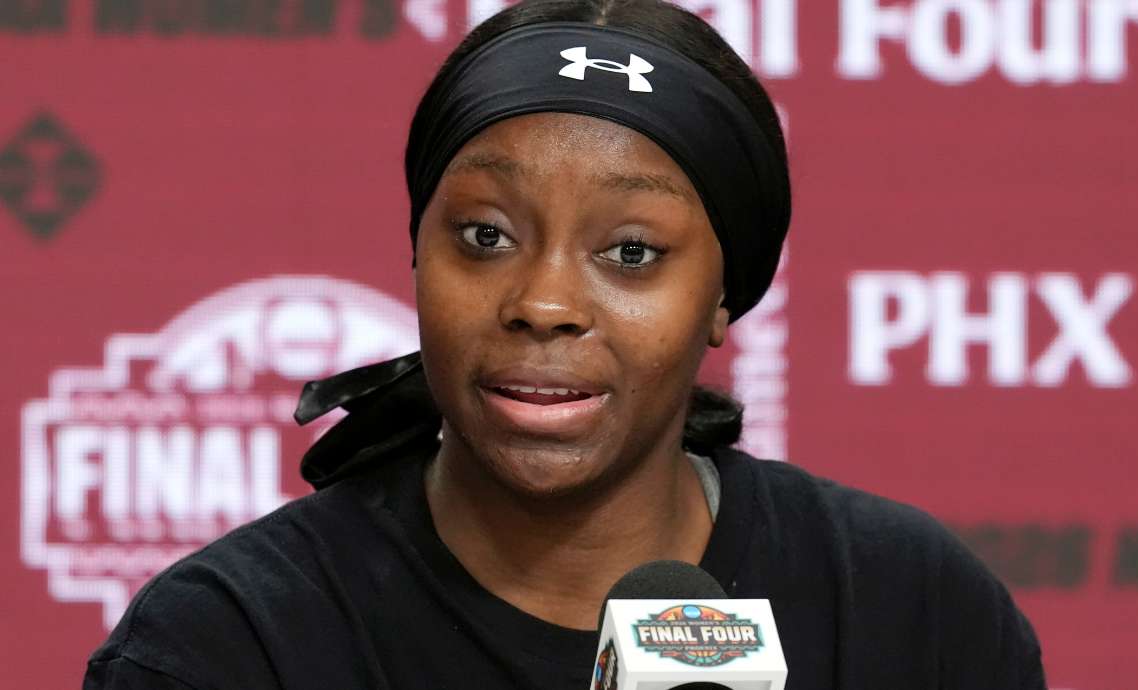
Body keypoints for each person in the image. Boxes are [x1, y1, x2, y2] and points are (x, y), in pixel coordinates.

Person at [84, 1, 1046, 688]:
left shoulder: (913, 614)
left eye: (631, 253)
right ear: (416, 256)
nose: (544, 304)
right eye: (485, 236)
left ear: (722, 297)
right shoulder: (231, 643)